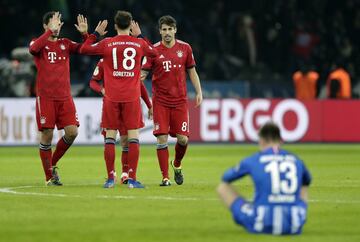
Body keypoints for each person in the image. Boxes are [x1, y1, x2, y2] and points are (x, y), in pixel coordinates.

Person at [79, 10, 158, 188]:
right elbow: (154, 53)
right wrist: (141, 35)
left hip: (111, 97)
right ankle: (132, 178)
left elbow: (84, 49)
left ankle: (110, 178)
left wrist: (94, 34)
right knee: (133, 138)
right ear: (130, 25)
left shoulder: (107, 43)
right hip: (131, 97)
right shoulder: (139, 44)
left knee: (110, 138)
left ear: (115, 26)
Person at [29, 11, 107, 186]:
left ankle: (53, 163)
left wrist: (89, 34)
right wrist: (49, 32)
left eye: (59, 23)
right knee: (47, 135)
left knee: (72, 133)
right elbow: (33, 50)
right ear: (45, 26)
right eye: (53, 23)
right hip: (46, 98)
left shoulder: (65, 43)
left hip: (65, 97)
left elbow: (85, 49)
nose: (57, 26)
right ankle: (49, 176)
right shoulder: (38, 43)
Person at [139, 15, 203, 186]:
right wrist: (137, 78)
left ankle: (176, 164)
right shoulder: (153, 50)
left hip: (180, 102)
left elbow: (192, 71)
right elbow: (143, 73)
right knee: (162, 139)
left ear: (175, 30)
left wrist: (199, 91)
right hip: (160, 102)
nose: (167, 32)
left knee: (183, 140)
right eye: (164, 29)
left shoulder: (185, 48)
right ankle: (165, 177)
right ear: (160, 31)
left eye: (170, 29)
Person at [217, 122, 312, 235]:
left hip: (260, 223)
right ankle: (298, 214)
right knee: (303, 185)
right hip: (294, 226)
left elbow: (226, 177)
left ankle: (254, 214)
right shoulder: (296, 160)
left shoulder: (253, 160)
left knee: (222, 187)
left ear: (261, 140)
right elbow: (307, 180)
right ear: (281, 141)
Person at [89, 58, 153, 185]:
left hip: (128, 102)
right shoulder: (104, 61)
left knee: (125, 140)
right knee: (109, 138)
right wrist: (101, 89)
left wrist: (149, 104)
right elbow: (93, 81)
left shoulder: (129, 61)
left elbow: (139, 84)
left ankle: (125, 174)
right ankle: (111, 175)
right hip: (111, 103)